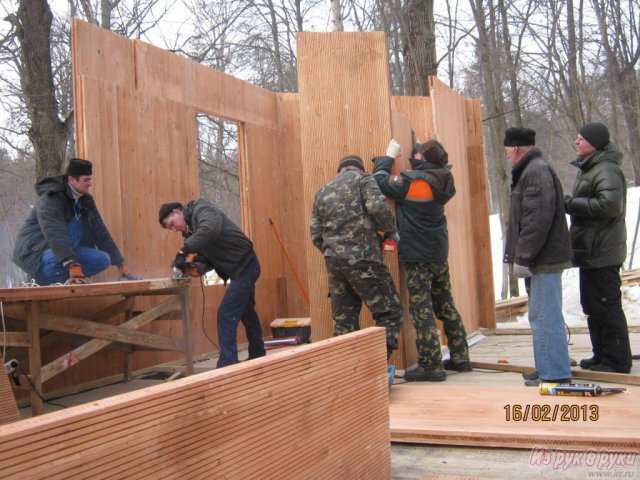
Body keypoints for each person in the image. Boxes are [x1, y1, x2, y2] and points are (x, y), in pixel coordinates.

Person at [373, 139, 470, 382]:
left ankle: (430, 365)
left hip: (418, 255)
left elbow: (380, 183)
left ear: (424, 159)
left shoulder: (418, 183)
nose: (412, 154)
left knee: (422, 310)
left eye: (416, 152)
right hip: (437, 252)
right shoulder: (443, 180)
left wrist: (387, 158)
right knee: (446, 305)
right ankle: (460, 356)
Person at [309, 155, 404, 359]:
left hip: (334, 264)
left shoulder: (322, 190)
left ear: (340, 170)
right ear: (359, 168)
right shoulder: (364, 179)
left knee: (345, 323)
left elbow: (315, 235)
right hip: (363, 258)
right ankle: (374, 371)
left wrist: (334, 251)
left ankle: (346, 376)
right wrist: (390, 231)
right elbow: (377, 207)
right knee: (390, 313)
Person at [502, 127, 573, 386]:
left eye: (508, 149)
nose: (507, 154)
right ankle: (546, 367)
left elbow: (536, 220)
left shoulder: (536, 171)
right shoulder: (531, 171)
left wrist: (523, 257)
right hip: (540, 258)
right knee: (541, 315)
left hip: (544, 259)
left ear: (517, 148)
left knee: (545, 316)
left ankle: (554, 373)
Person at [159, 200, 266, 368]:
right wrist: (191, 268)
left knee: (225, 313)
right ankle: (258, 354)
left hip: (247, 266)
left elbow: (210, 229)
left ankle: (227, 364)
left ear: (177, 212)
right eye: (170, 229)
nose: (173, 229)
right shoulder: (192, 233)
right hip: (239, 270)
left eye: (172, 224)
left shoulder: (202, 210)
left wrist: (183, 251)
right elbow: (207, 261)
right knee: (247, 313)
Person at [564, 122, 632, 373]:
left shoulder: (607, 169)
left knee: (607, 305)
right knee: (593, 306)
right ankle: (601, 354)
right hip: (591, 251)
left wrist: (572, 204)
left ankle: (617, 360)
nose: (576, 142)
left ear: (595, 143)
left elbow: (611, 205)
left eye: (581, 138)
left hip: (603, 250)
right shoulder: (591, 167)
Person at [13, 158, 139, 285]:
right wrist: (72, 265)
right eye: (86, 180)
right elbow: (56, 234)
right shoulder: (50, 199)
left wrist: (121, 266)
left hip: (66, 253)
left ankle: (71, 280)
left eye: (90, 179)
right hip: (37, 255)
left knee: (102, 259)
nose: (90, 183)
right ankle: (40, 280)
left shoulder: (86, 201)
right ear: (71, 179)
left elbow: (100, 232)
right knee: (68, 233)